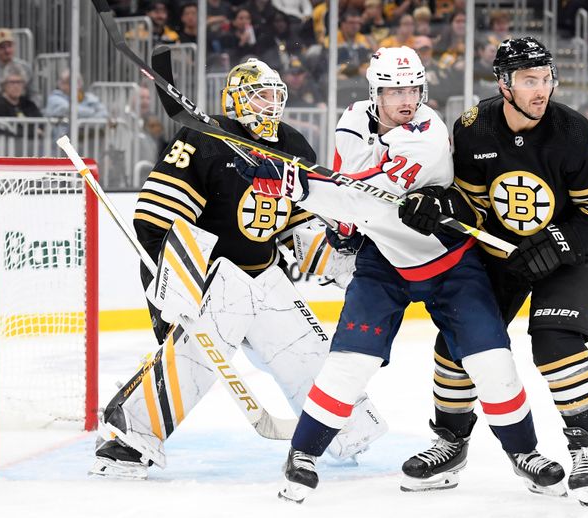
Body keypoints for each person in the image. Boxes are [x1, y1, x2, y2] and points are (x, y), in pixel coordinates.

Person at [235, 46, 565, 504]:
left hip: (450, 264)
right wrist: (343, 229)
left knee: (491, 362)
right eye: (395, 91)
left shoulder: (426, 136)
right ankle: (302, 455)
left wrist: (297, 186)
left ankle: (525, 452)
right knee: (351, 363)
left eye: (413, 88)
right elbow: (348, 188)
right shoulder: (351, 121)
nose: (407, 99)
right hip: (384, 262)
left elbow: (363, 197)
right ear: (376, 92)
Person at [90, 58, 386, 479]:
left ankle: (344, 430)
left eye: (275, 95)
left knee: (305, 349)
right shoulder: (205, 138)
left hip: (264, 273)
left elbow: (299, 230)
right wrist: (172, 285)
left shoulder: (295, 147)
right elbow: (153, 220)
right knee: (192, 359)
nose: (270, 104)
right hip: (213, 276)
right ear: (237, 99)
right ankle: (130, 437)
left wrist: (344, 258)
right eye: (260, 94)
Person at [400, 37, 588, 506]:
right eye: (528, 80)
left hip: (566, 255)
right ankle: (451, 443)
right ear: (503, 83)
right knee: (457, 343)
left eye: (545, 79)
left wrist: (557, 242)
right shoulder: (474, 129)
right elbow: (470, 206)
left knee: (555, 345)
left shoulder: (574, 132)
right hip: (503, 257)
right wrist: (438, 207)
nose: (540, 90)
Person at [0, 28, 39, 111]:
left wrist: (32, 107)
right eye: (2, 47)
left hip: (22, 107)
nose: (7, 50)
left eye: (9, 46)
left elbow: (34, 93)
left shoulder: (25, 67)